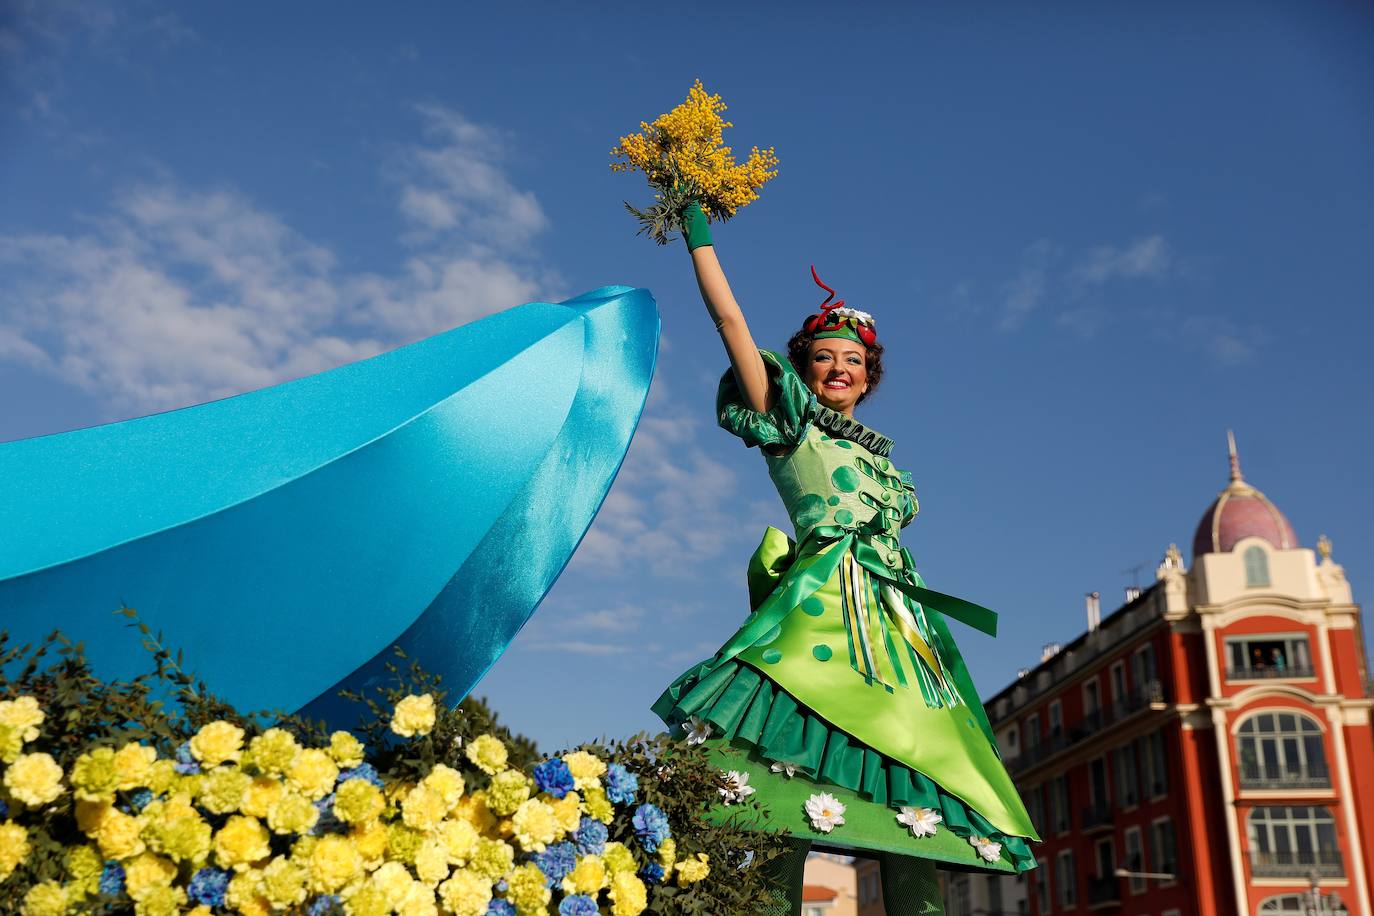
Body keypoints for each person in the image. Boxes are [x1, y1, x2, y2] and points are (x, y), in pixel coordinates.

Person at [651, 201, 1038, 915]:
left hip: (895, 627)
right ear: (803, 370)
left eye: (852, 361)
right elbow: (731, 323)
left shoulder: (886, 464)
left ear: (868, 380)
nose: (838, 367)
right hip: (818, 615)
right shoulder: (791, 425)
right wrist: (696, 229)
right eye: (824, 357)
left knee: (913, 777)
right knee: (783, 785)